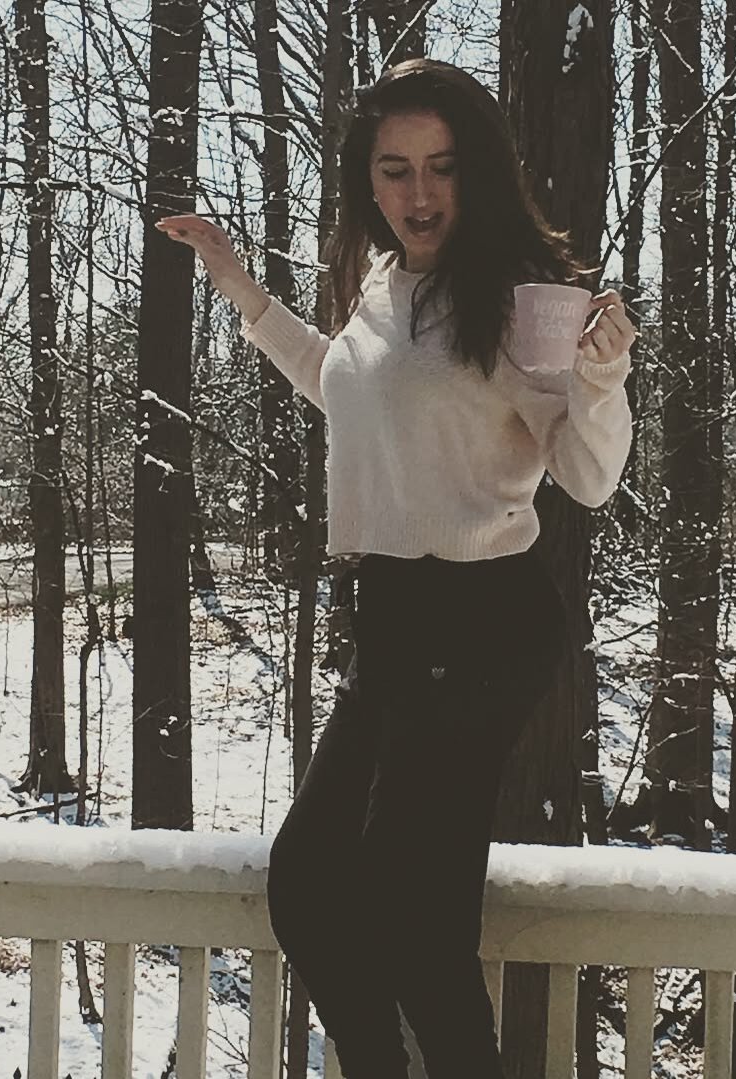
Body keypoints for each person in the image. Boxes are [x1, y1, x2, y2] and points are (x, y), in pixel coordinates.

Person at [157, 57, 635, 1079]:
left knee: (413, 916)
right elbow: (349, 392)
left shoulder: (523, 298)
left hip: (483, 618)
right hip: (394, 617)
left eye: (442, 166)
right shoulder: (383, 283)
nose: (420, 194)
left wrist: (601, 378)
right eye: (395, 169)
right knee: (308, 883)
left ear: (478, 171)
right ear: (366, 180)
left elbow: (587, 477)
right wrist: (234, 278)